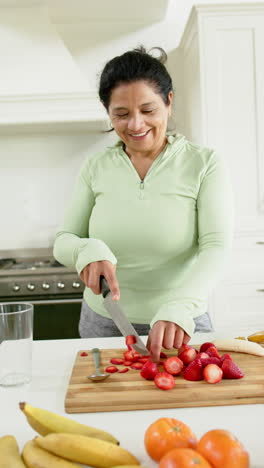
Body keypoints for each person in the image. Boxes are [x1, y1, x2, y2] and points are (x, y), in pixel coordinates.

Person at [53, 46, 234, 363]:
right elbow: (64, 239)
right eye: (121, 114)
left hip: (181, 322)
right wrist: (86, 249)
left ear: (169, 102)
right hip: (103, 323)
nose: (135, 125)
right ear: (108, 112)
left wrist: (181, 305)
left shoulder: (204, 163)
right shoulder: (95, 167)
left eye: (148, 110)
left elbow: (216, 245)